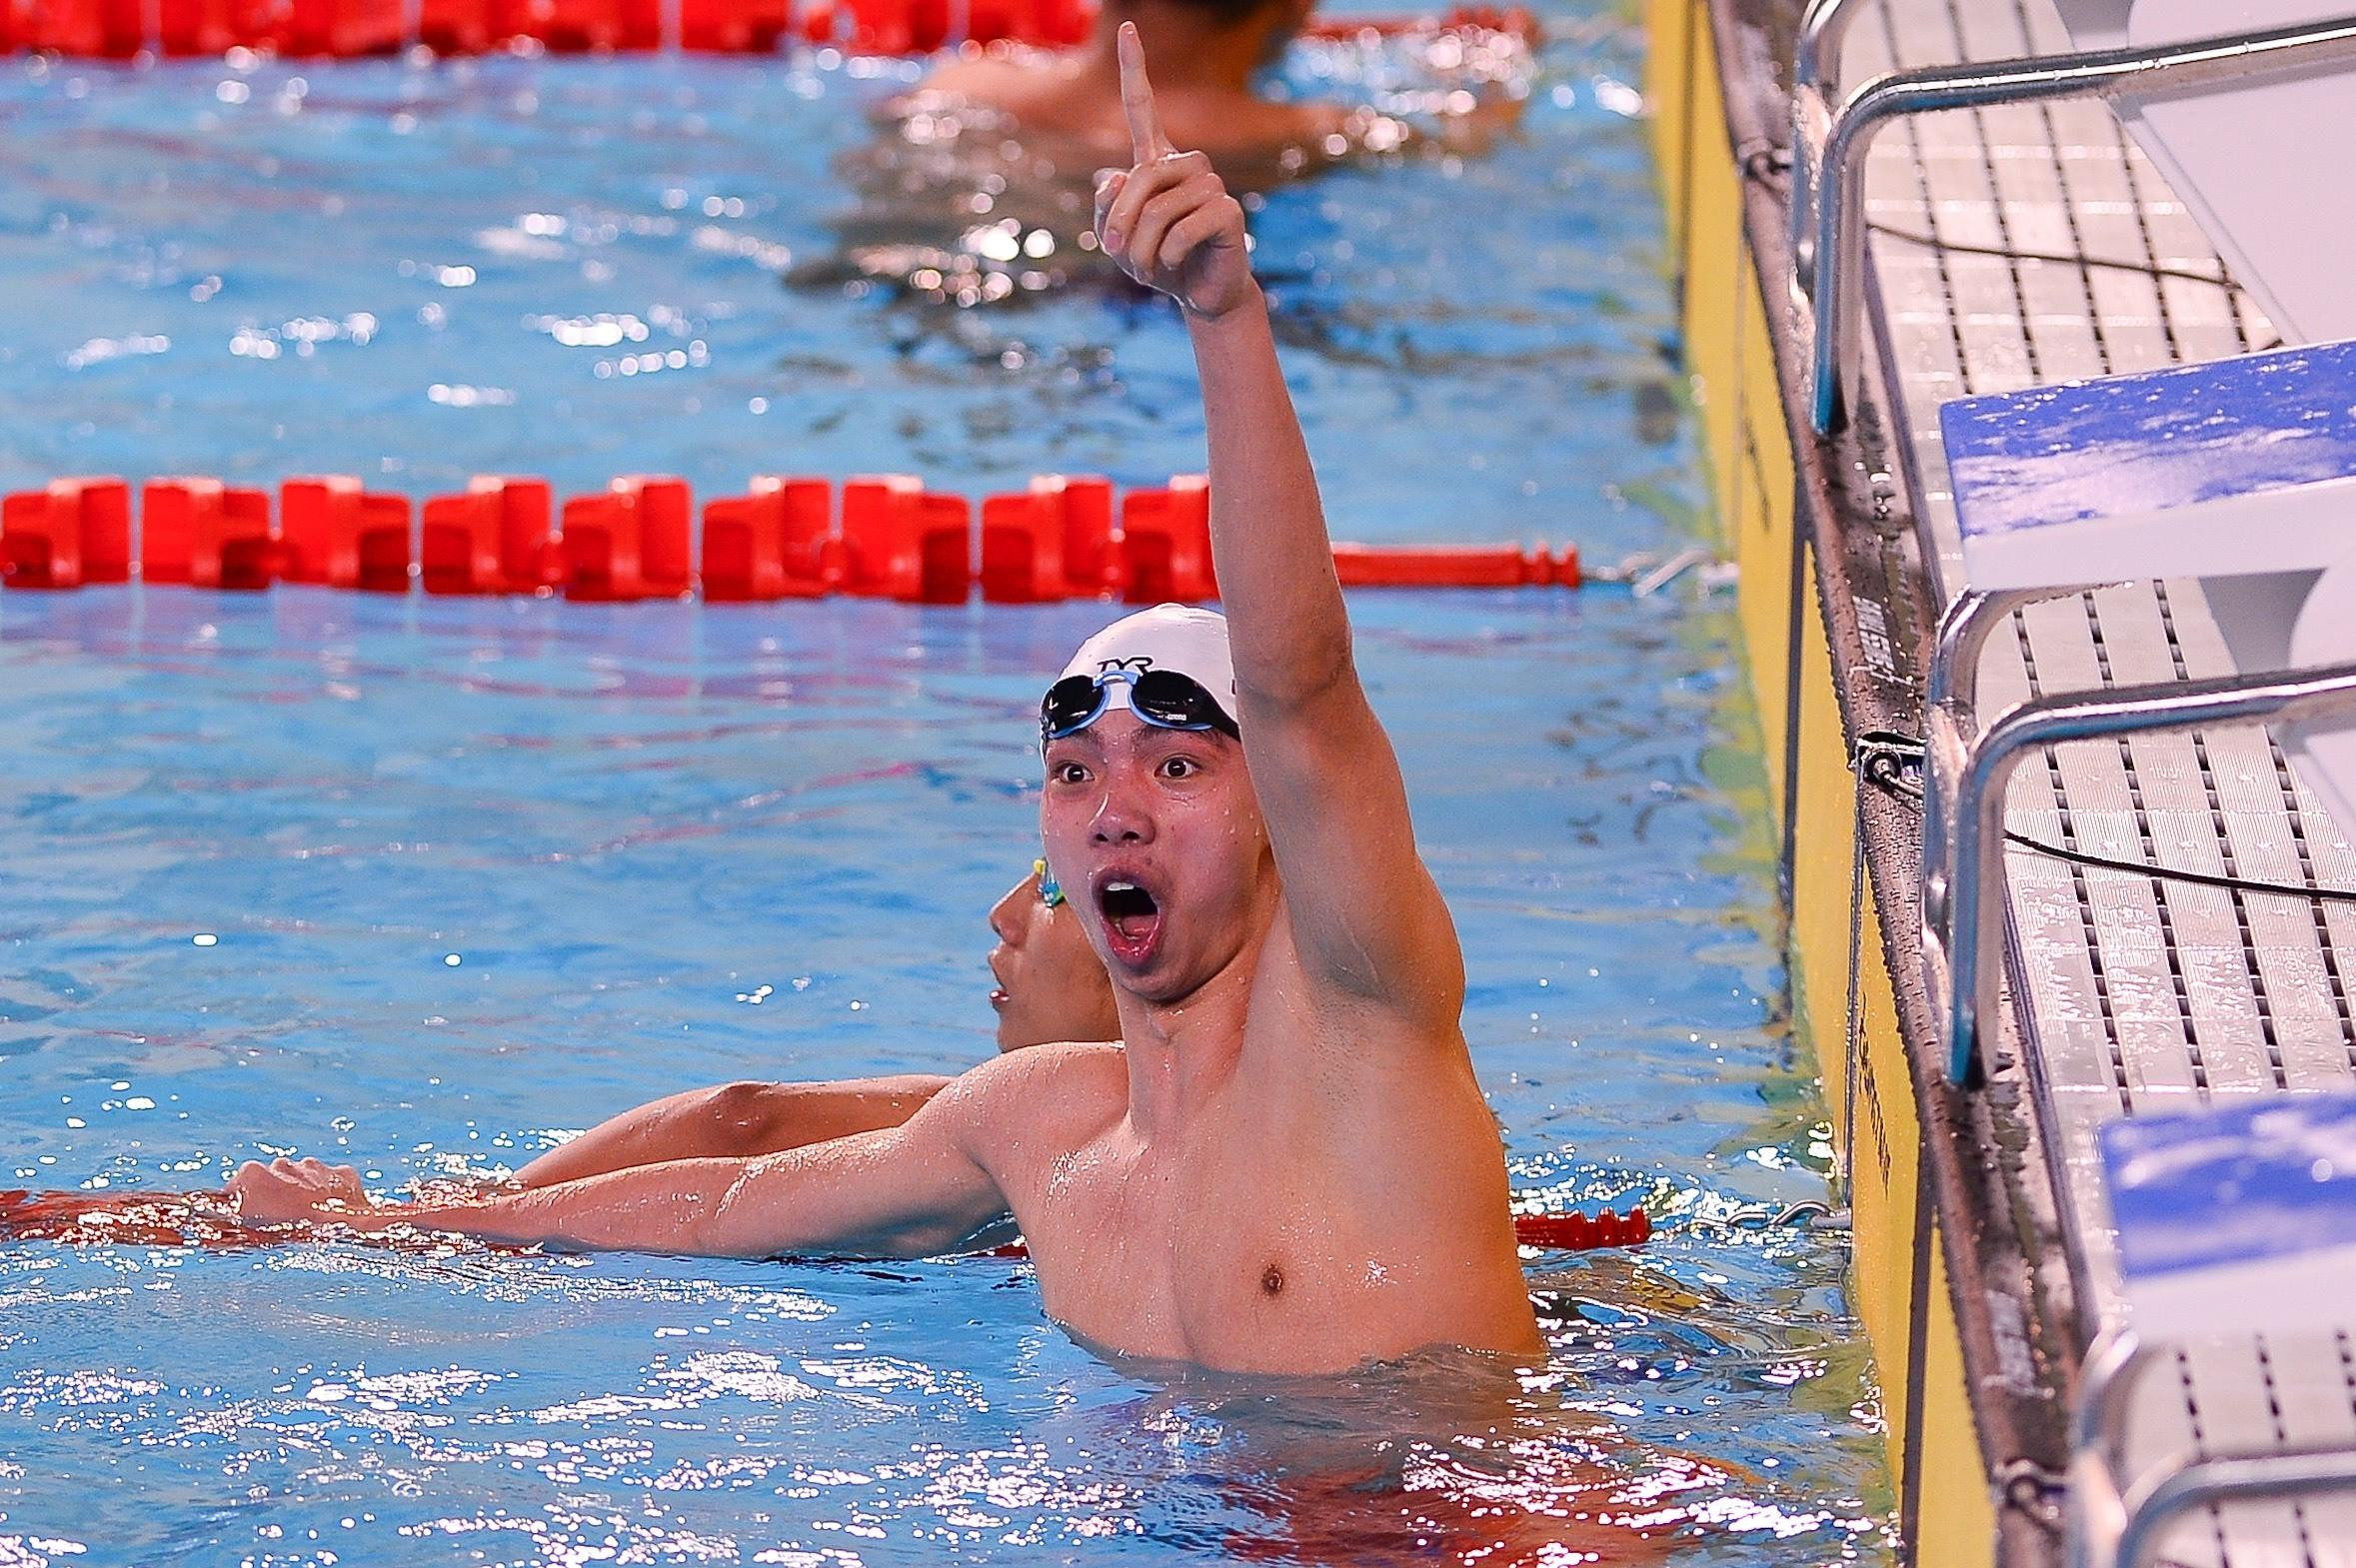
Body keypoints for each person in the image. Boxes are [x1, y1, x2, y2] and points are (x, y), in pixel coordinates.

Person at [226, 27, 1545, 1377]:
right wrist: (385, 1230)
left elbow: (1300, 685)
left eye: (1177, 764)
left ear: (1280, 822)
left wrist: (1223, 318)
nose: (1113, 811)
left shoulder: (1360, 1033)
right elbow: (726, 1200)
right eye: (1075, 772)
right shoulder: (1039, 1125)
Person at [509, 863, 1120, 1188]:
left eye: (1053, 885)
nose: (1003, 915)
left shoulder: (1013, 1135)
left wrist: (489, 1214)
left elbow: (740, 1122)